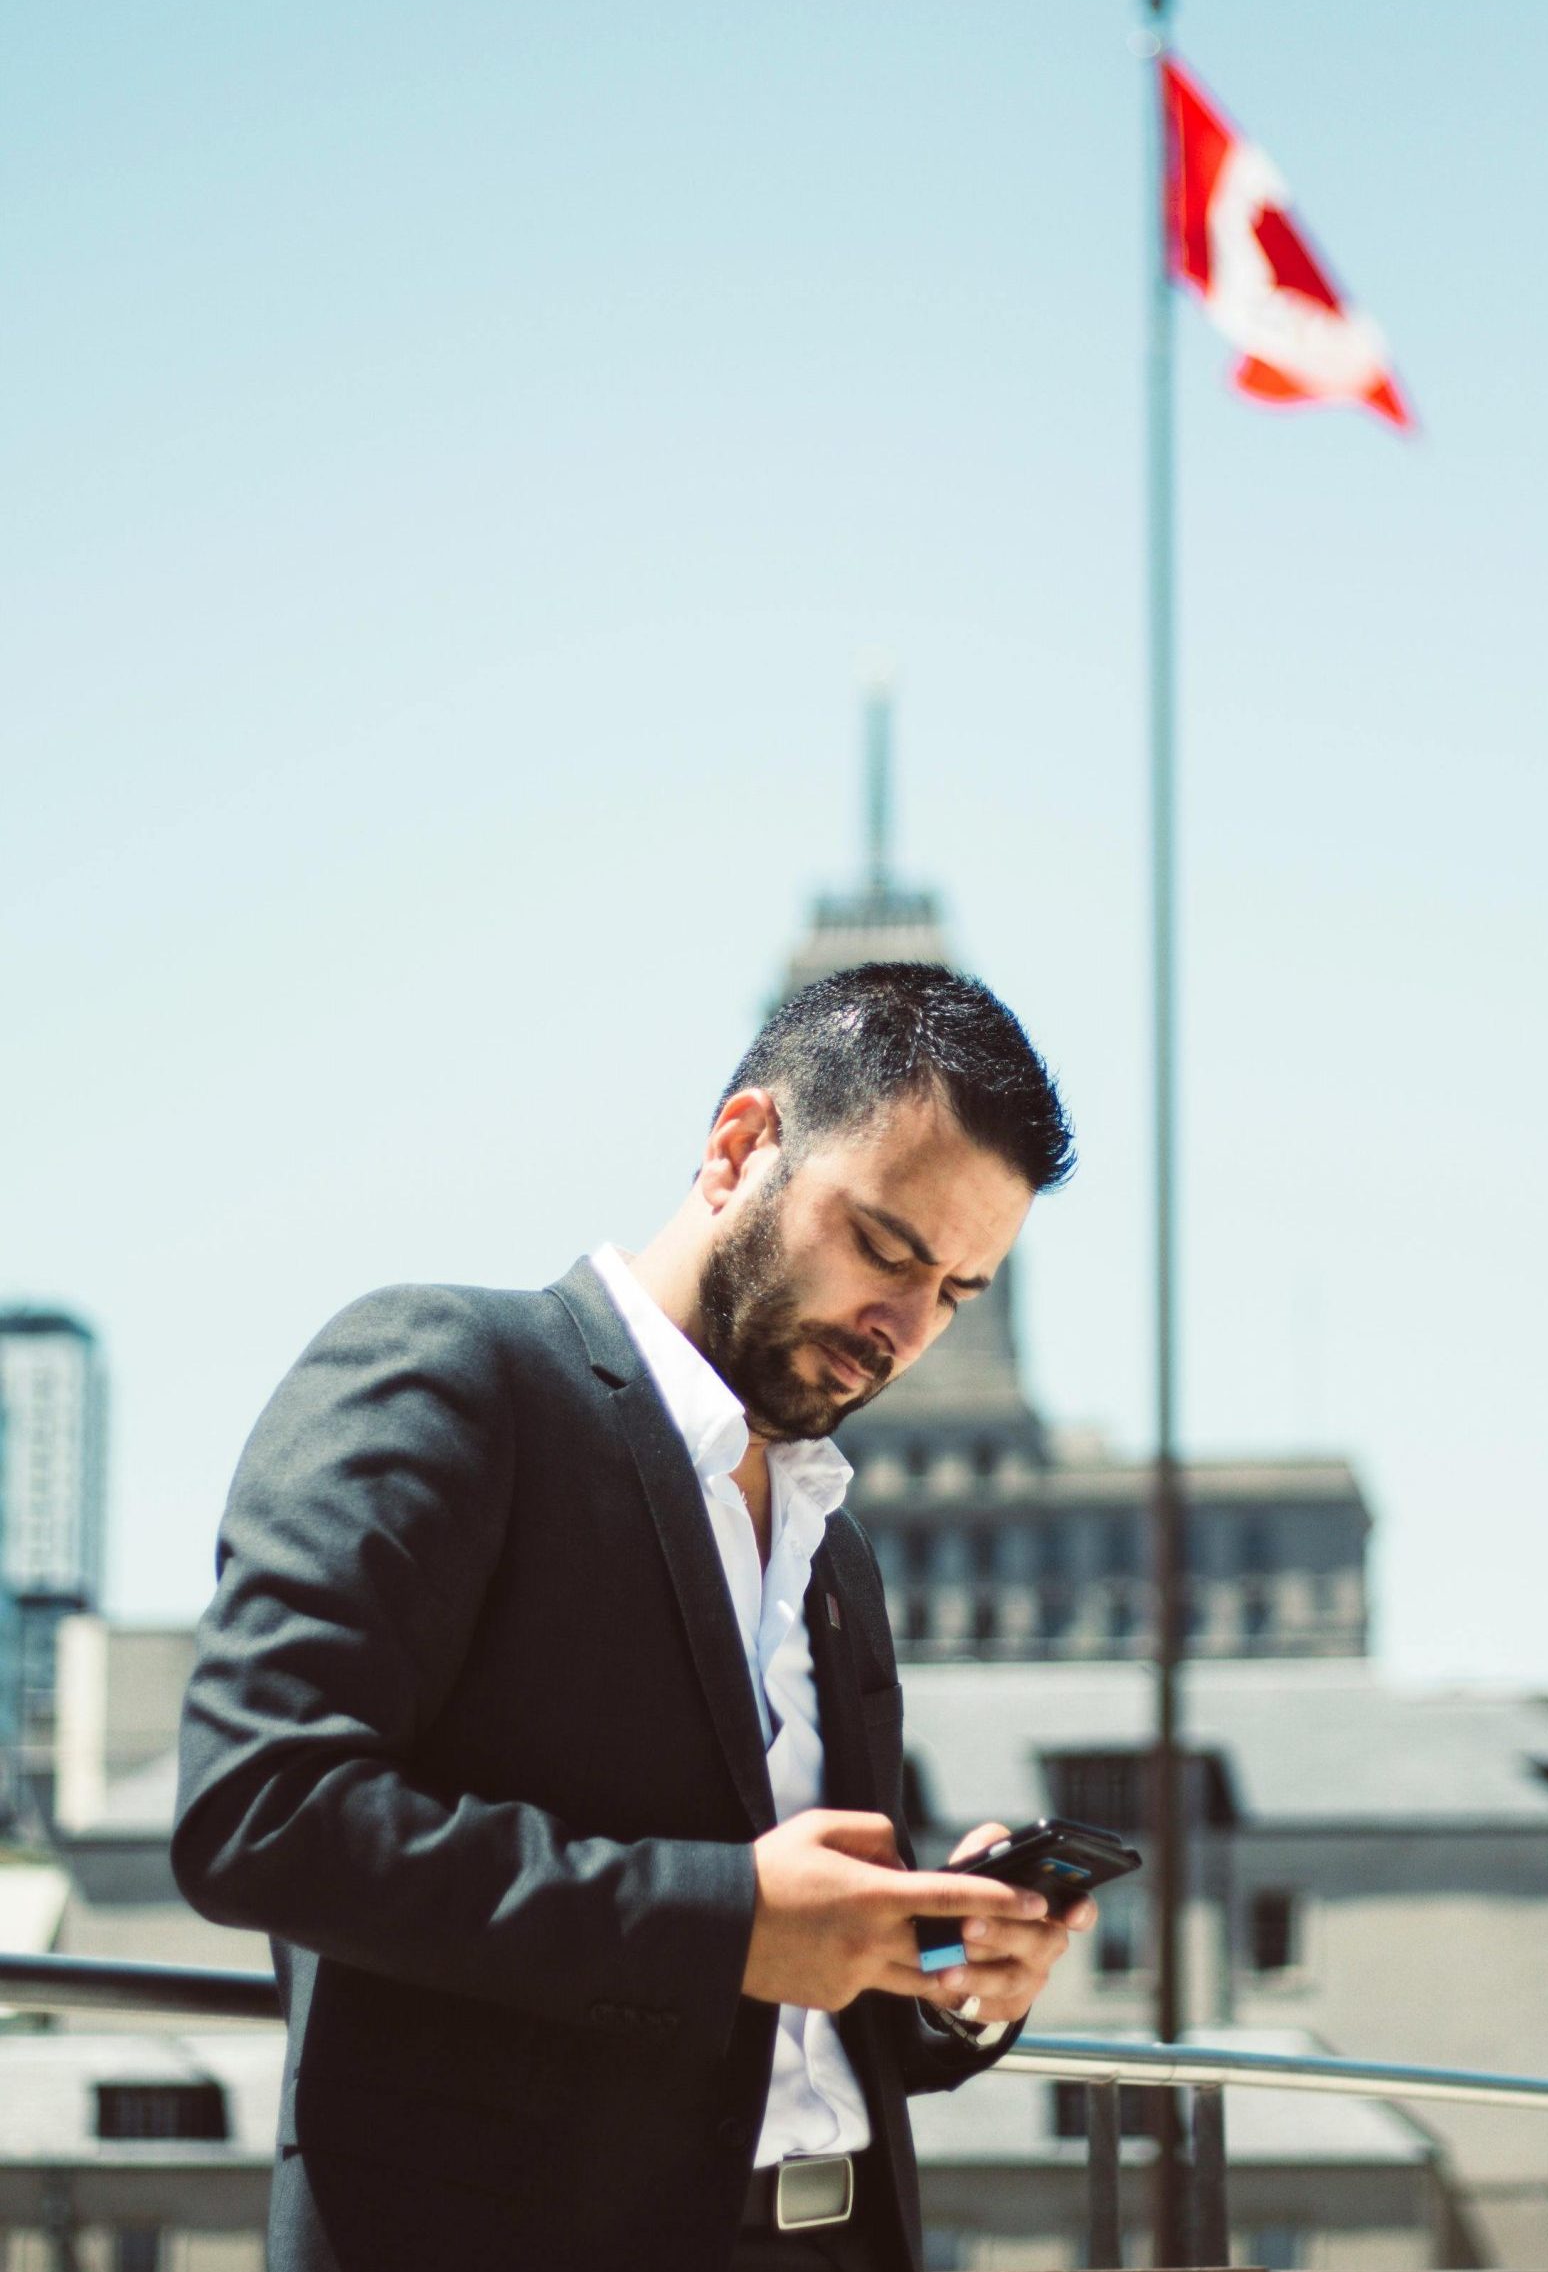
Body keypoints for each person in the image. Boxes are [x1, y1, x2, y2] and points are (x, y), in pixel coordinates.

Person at [171, 960, 1090, 2272]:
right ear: (739, 1148)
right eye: (886, 1245)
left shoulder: (834, 1554)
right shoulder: (445, 1378)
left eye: (954, 1291)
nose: (903, 1325)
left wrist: (947, 1969)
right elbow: (261, 1810)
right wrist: (731, 1918)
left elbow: (783, 2013)